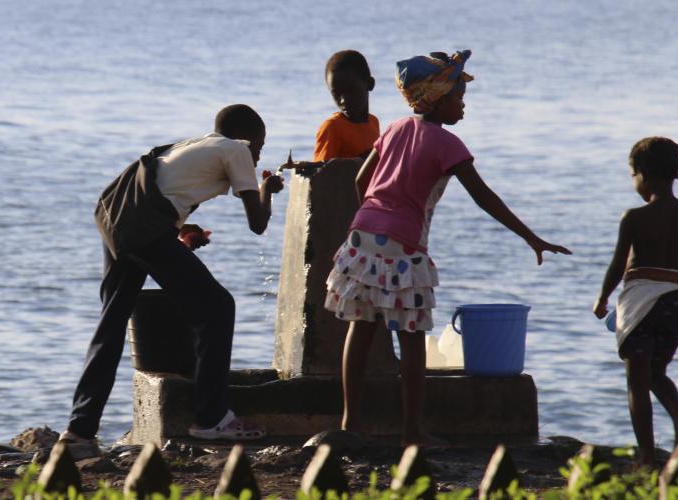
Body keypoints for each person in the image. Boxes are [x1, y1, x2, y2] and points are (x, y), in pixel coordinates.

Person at [323, 50, 570, 446]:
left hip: (362, 235)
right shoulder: (447, 143)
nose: (464, 103)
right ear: (437, 98)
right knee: (412, 335)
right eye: (459, 95)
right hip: (403, 246)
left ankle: (350, 424)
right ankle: (411, 431)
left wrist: (371, 219)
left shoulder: (394, 128)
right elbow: (483, 196)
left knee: (362, 327)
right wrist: (531, 237)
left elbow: (360, 181)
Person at [61, 104, 284, 448]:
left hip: (118, 214)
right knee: (217, 308)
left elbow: (166, 191)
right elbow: (257, 224)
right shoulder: (236, 148)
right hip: (144, 225)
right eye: (260, 146)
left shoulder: (193, 144)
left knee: (112, 323)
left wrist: (179, 228)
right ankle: (212, 418)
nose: (257, 155)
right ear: (247, 137)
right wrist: (267, 190)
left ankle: (78, 432)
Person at [593, 137, 678, 468]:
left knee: (637, 383)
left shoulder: (634, 217)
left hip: (640, 303)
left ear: (642, 174)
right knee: (658, 372)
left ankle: (645, 455)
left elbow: (618, 266)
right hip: (673, 301)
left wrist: (602, 298)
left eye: (632, 175)